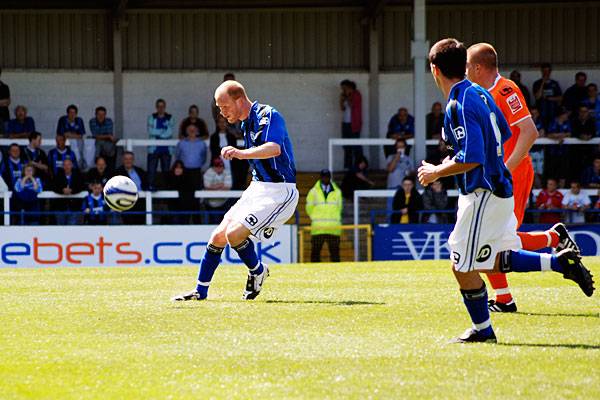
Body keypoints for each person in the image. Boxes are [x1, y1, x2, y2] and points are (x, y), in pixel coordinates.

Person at [419, 38, 593, 343]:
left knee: (461, 263)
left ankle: (483, 330)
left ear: (435, 69)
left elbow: (473, 157)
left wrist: (437, 170)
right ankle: (557, 261)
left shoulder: (459, 103)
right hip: (498, 189)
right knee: (490, 258)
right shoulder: (482, 95)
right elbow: (500, 131)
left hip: (482, 192)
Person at [467, 42, 574, 313]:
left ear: (478, 67)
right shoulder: (478, 93)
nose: (465, 70)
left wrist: (504, 169)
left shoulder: (506, 90)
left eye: (468, 65)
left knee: (499, 239)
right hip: (495, 174)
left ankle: (506, 297)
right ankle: (552, 240)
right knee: (493, 238)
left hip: (513, 173)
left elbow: (529, 132)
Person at [173, 80, 298, 301]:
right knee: (218, 236)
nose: (221, 113)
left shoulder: (268, 115)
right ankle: (200, 291)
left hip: (280, 191)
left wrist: (241, 153)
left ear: (239, 99)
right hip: (258, 187)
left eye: (224, 106)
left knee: (234, 235)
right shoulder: (245, 123)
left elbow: (274, 148)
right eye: (219, 108)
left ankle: (258, 272)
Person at [305, 169, 343, 263]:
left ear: (330, 178)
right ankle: (315, 274)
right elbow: (309, 208)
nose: (325, 179)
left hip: (333, 228)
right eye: (324, 177)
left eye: (327, 177)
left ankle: (337, 274)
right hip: (319, 228)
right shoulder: (313, 192)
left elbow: (340, 207)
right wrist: (315, 217)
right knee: (315, 254)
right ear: (320, 178)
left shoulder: (337, 192)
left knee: (335, 254)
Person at [210, 115, 248, 190]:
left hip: (231, 161)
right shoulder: (213, 137)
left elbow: (233, 149)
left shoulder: (231, 137)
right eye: (220, 122)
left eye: (224, 122)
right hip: (218, 162)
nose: (222, 124)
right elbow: (213, 150)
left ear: (227, 123)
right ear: (217, 124)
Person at [114, 151, 148, 225]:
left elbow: (146, 183)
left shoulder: (140, 171)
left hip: (140, 202)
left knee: (140, 225)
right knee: (128, 225)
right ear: (123, 160)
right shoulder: (118, 172)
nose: (128, 161)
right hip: (127, 203)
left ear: (133, 160)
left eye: (130, 159)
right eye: (126, 159)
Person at [147, 98, 174, 189]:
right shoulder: (152, 117)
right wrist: (163, 132)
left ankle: (166, 188)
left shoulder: (170, 118)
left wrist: (158, 132)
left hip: (166, 149)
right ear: (156, 107)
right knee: (151, 170)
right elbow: (151, 131)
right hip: (154, 149)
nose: (161, 108)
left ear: (165, 107)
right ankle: (151, 186)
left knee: (166, 171)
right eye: (159, 106)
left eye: (162, 106)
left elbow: (169, 132)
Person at [175, 124, 207, 191]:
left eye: (194, 130)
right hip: (184, 171)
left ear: (197, 131)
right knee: (184, 190)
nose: (192, 131)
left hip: (196, 171)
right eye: (190, 130)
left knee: (197, 190)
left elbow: (204, 157)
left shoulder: (202, 143)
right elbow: (177, 156)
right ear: (187, 131)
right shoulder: (181, 143)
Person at [52, 158, 84, 225]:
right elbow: (54, 187)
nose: (67, 167)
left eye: (69, 165)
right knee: (60, 229)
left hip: (74, 207)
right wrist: (62, 190)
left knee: (72, 230)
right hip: (60, 207)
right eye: (65, 165)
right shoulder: (58, 175)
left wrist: (72, 190)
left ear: (72, 165)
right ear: (63, 166)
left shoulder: (77, 175)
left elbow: (81, 186)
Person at [339, 79, 363, 169]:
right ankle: (348, 166)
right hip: (345, 123)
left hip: (354, 123)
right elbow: (342, 108)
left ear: (349, 87)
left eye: (344, 88)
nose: (343, 90)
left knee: (356, 145)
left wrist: (348, 96)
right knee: (346, 145)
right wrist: (341, 99)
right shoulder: (344, 95)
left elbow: (352, 105)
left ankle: (359, 166)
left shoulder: (356, 94)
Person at [203, 156, 233, 224]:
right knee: (214, 222)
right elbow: (207, 187)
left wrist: (213, 187)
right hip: (211, 203)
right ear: (213, 166)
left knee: (225, 222)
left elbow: (228, 187)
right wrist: (221, 185)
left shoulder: (226, 171)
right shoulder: (209, 172)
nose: (219, 168)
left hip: (224, 202)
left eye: (221, 166)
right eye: (217, 166)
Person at [167, 160, 196, 225]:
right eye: (176, 168)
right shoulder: (169, 178)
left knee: (185, 223)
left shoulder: (188, 180)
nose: (178, 170)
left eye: (180, 168)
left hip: (185, 207)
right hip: (173, 207)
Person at [0, 68, 11, 135]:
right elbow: (5, 102)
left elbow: (8, 102)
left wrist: (5, 102)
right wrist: (2, 102)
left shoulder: (5, 87)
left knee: (6, 136)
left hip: (4, 117)